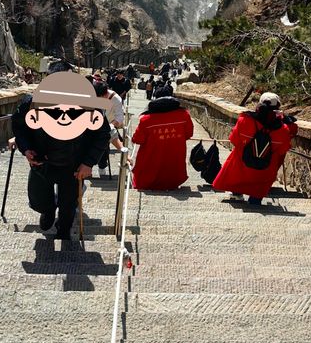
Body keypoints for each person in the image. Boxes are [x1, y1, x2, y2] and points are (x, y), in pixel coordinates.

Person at [11, 72, 110, 239]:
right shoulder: (31, 103)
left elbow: (102, 134)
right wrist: (26, 148)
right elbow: (19, 126)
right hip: (41, 161)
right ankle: (47, 211)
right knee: (38, 200)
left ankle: (64, 231)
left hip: (74, 164)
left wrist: (88, 163)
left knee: (68, 204)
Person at [212, 92, 297, 206]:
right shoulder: (283, 128)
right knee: (260, 182)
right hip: (265, 167)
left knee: (237, 172)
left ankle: (236, 194)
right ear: (277, 107)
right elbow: (282, 150)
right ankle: (255, 201)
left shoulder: (245, 119)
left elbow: (234, 139)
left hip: (243, 162)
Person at [131, 95, 193, 190]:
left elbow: (137, 139)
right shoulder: (184, 115)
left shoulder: (146, 120)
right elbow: (189, 134)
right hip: (175, 153)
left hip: (151, 156)